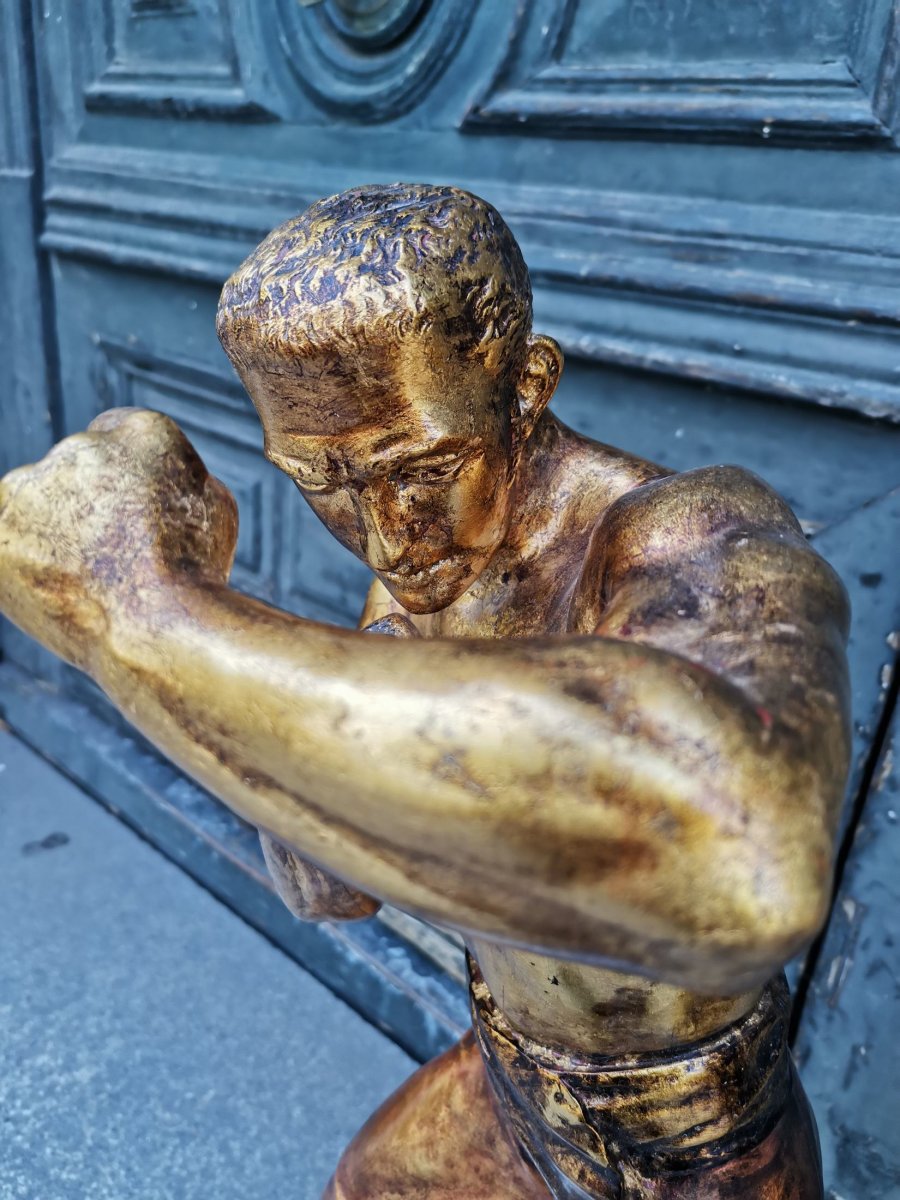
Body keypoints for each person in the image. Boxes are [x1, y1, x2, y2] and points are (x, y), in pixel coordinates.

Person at [0, 184, 849, 1198]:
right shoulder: (411, 578)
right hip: (508, 1082)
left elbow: (745, 852)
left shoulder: (686, 532)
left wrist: (136, 610)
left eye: (426, 465)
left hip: (699, 1145)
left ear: (526, 384)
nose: (393, 535)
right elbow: (329, 887)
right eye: (323, 480)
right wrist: (236, 630)